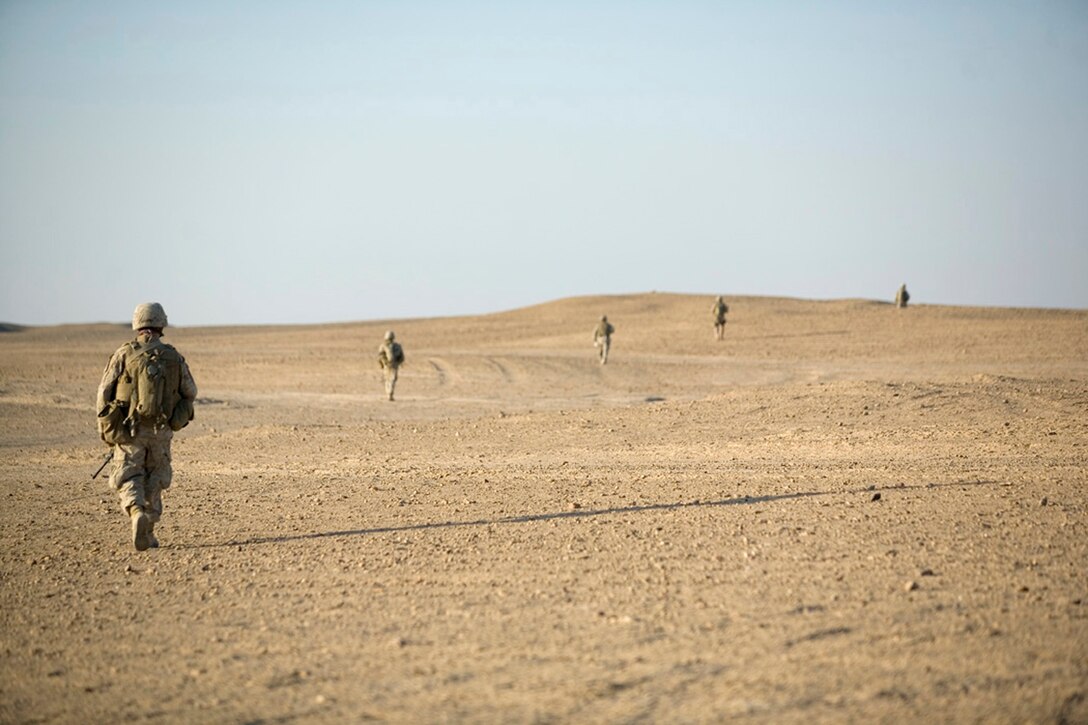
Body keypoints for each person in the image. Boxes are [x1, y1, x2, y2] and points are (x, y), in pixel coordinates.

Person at [96, 303, 197, 551]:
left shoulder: (124, 354)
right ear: (161, 324)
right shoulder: (173, 356)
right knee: (155, 477)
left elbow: (104, 392)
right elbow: (190, 392)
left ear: (137, 324)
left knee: (129, 474)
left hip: (130, 429)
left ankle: (135, 511)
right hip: (161, 430)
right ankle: (149, 531)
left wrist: (106, 429)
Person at [377, 330, 405, 401]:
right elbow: (402, 357)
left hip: (386, 365)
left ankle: (388, 394)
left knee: (387, 379)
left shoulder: (383, 346)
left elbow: (380, 356)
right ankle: (390, 394)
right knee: (392, 379)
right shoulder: (397, 346)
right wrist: (398, 363)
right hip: (394, 365)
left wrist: (382, 364)